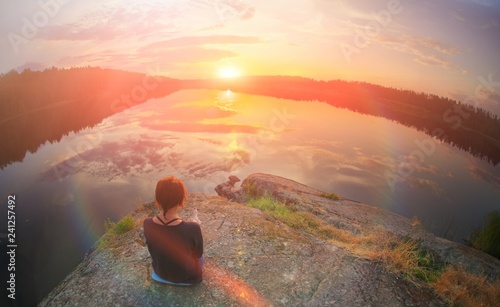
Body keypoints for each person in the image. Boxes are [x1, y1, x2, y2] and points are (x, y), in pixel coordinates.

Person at [143, 176, 204, 286]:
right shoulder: (192, 228)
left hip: (160, 275)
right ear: (181, 200)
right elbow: (198, 254)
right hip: (188, 279)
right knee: (201, 257)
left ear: (157, 200)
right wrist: (195, 226)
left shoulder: (147, 224)